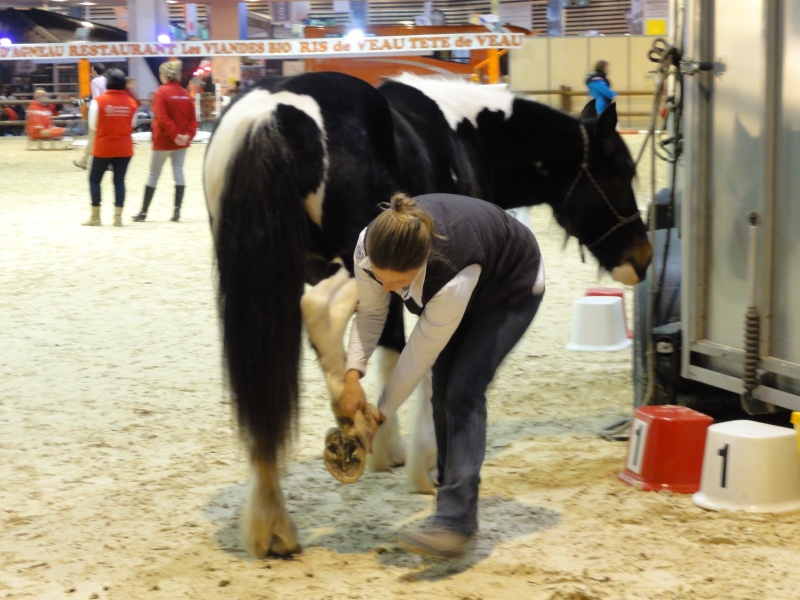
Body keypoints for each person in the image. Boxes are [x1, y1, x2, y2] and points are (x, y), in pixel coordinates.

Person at [341, 192, 546, 558]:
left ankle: (455, 522)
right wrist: (352, 376)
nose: (386, 289)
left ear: (421, 263)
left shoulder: (450, 273)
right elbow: (371, 314)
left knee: (463, 388)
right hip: (469, 283)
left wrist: (380, 414)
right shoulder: (368, 249)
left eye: (397, 283)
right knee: (442, 391)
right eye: (380, 279)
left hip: (511, 287)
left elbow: (417, 355)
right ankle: (451, 501)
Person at [131, 59, 197, 223]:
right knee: (179, 172)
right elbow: (192, 120)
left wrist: (174, 134)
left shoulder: (161, 92)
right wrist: (186, 135)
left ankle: (144, 212)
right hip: (181, 143)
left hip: (163, 141)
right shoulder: (185, 94)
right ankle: (176, 212)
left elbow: (162, 118)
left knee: (153, 175)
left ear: (164, 75)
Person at [82, 68, 137, 227]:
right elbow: (132, 125)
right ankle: (117, 218)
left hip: (103, 147)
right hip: (124, 148)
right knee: (119, 181)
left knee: (94, 179)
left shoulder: (98, 102)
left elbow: (93, 125)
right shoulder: (132, 103)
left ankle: (95, 217)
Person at [73, 63, 107, 170]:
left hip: (98, 111)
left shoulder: (94, 81)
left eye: (92, 70)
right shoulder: (106, 80)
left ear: (95, 71)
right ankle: (107, 162)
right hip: (107, 111)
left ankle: (84, 162)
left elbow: (96, 98)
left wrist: (86, 103)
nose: (91, 72)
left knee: (93, 138)